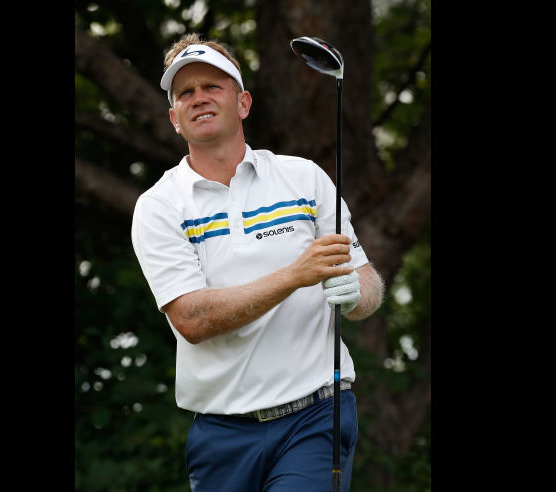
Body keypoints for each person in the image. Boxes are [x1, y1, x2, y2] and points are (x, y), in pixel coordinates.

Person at [130, 33, 385, 492]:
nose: (199, 98)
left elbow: (365, 282)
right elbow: (191, 318)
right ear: (174, 118)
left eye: (213, 86)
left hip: (316, 416)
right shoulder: (159, 206)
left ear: (243, 102)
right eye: (185, 92)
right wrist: (295, 276)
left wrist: (356, 294)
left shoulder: (303, 178)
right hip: (221, 431)